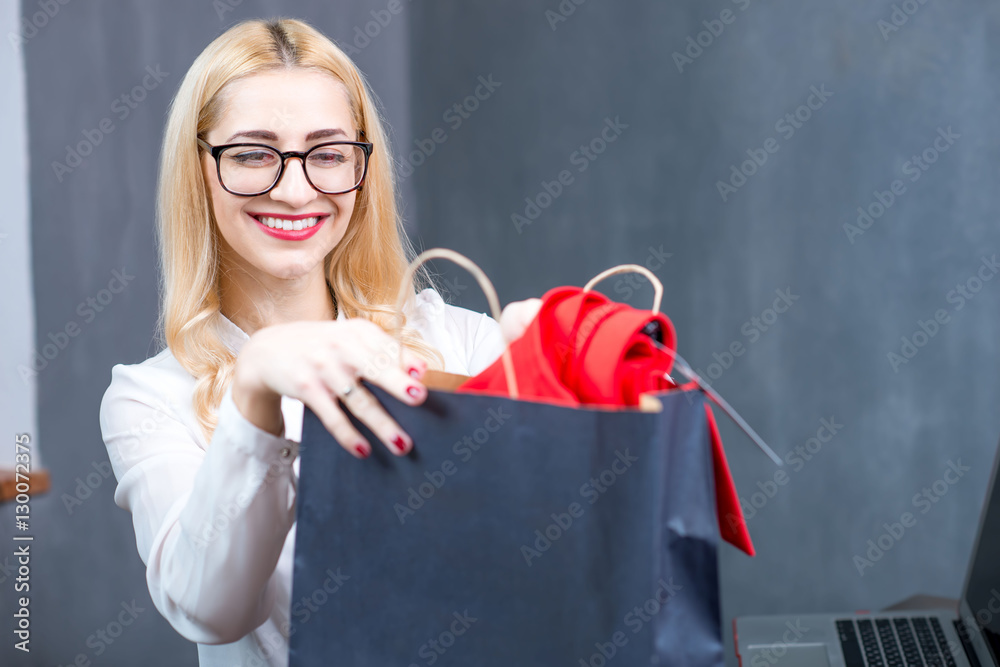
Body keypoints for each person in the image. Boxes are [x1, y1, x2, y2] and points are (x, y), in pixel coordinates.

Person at [99, 17, 539, 667]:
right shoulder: (150, 398)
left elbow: (543, 563)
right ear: (199, 169)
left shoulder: (460, 342)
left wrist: (559, 379)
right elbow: (209, 610)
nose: (297, 188)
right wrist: (255, 387)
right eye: (253, 153)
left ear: (362, 167)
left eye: (328, 153)